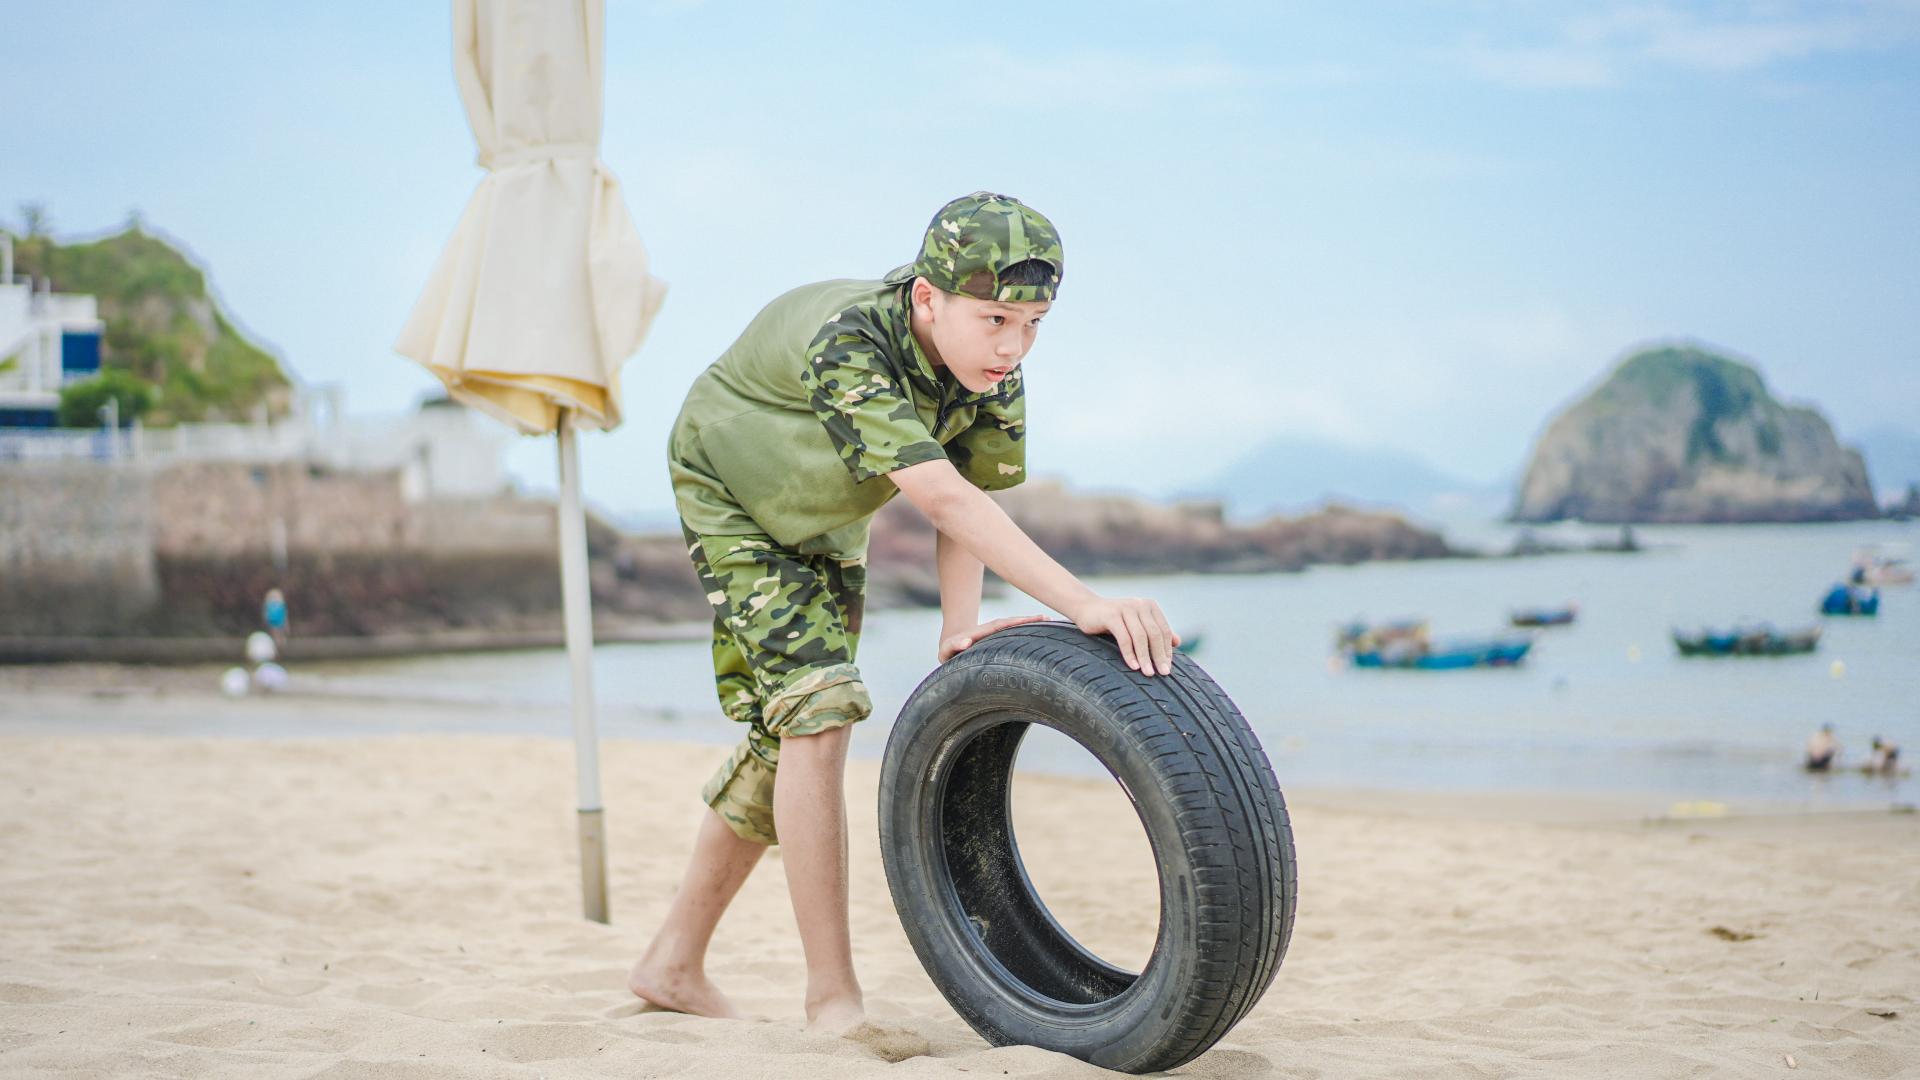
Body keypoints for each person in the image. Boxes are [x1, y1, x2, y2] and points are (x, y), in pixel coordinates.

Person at [627, 192, 1178, 1033]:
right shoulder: (851, 339)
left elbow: (973, 495)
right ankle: (832, 1001)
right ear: (928, 297)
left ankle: (672, 963)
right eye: (996, 319)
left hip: (825, 512)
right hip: (732, 493)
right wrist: (1085, 603)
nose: (1014, 345)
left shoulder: (991, 370)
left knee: (786, 737)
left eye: (1034, 324)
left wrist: (959, 627)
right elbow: (943, 500)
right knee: (820, 711)